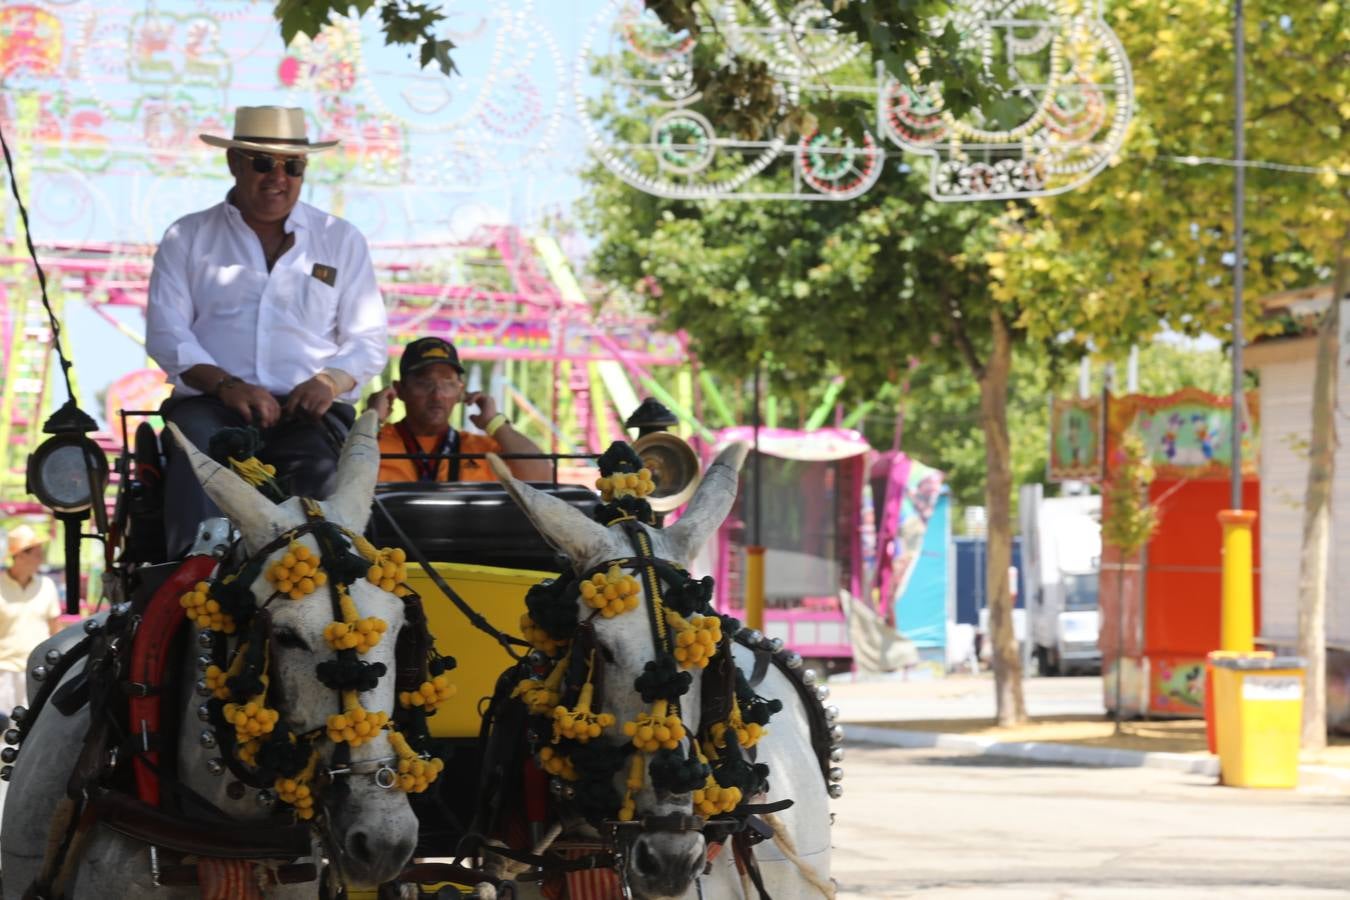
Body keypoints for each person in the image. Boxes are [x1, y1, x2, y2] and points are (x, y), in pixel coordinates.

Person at [146, 106, 387, 556]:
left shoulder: (341, 239)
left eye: (293, 166)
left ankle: (335, 589)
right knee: (198, 454)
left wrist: (328, 381)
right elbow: (166, 333)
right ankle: (194, 579)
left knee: (331, 508)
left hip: (311, 413)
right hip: (211, 406)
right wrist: (226, 385)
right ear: (234, 161)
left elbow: (368, 341)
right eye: (263, 163)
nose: (278, 177)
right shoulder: (188, 236)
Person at [368, 337, 551, 483]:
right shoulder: (371, 442)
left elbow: (542, 478)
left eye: (448, 383)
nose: (437, 394)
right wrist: (371, 420)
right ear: (400, 390)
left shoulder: (481, 449)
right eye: (424, 382)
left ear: (460, 392)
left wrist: (495, 423)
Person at [0, 526, 62, 712]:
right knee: (4, 734)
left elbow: (55, 631)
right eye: (36, 554)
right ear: (19, 555)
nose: (41, 559)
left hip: (38, 671)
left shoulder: (48, 586)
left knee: (32, 733)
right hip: (4, 673)